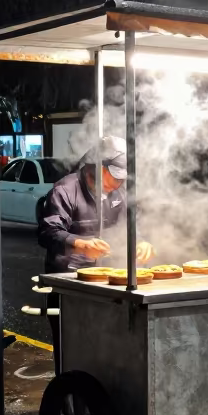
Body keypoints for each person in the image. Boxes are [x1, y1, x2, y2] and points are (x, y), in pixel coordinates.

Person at [38, 135, 153, 366]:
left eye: (123, 178)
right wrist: (79, 243)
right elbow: (47, 232)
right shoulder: (65, 190)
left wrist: (141, 241)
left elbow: (128, 227)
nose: (119, 184)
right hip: (67, 282)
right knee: (71, 348)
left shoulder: (117, 194)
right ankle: (67, 397)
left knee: (104, 347)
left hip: (103, 282)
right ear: (98, 166)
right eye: (115, 176)